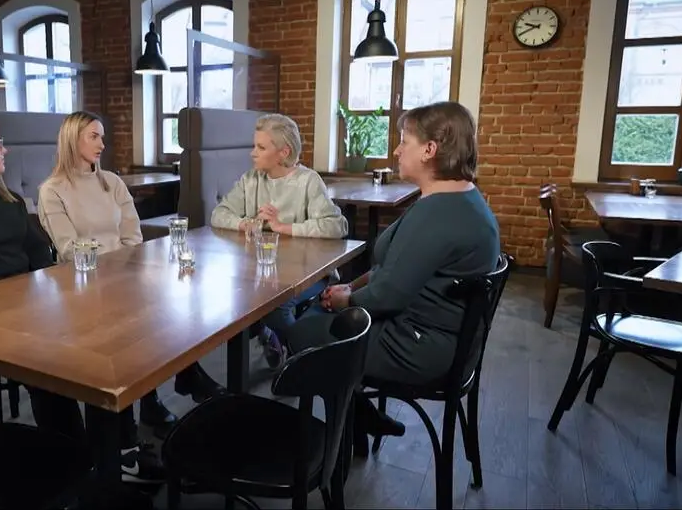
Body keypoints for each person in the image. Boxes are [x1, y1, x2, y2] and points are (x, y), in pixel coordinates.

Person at [0, 110, 163, 486]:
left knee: (106, 337)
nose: (4, 149)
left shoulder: (5, 197)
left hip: (26, 308)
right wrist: (15, 292)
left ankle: (115, 453)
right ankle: (82, 466)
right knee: (63, 362)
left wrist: (45, 291)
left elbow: (37, 249)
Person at [287, 101, 500, 440]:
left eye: (404, 141)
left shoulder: (438, 214)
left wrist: (346, 300)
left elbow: (388, 295)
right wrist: (351, 289)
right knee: (325, 316)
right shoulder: (460, 199)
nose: (397, 151)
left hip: (418, 348)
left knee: (303, 332)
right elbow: (394, 270)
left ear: (430, 150)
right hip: (445, 340)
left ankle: (326, 443)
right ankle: (358, 418)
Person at [35, 111, 224, 440]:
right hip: (83, 285)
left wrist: (121, 266)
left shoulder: (112, 181)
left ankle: (163, 392)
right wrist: (113, 263)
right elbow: (69, 248)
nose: (102, 144)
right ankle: (162, 396)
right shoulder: (52, 190)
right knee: (132, 322)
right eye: (94, 136)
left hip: (123, 275)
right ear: (72, 139)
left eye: (102, 137)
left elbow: (133, 235)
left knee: (164, 310)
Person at [210, 113, 347, 367]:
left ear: (284, 152)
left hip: (310, 274)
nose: (252, 153)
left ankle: (301, 360)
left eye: (261, 147)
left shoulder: (308, 181)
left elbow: (337, 226)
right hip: (260, 274)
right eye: (254, 146)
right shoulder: (250, 179)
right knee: (232, 297)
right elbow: (219, 214)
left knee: (275, 308)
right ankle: (279, 341)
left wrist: (284, 227)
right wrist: (247, 223)